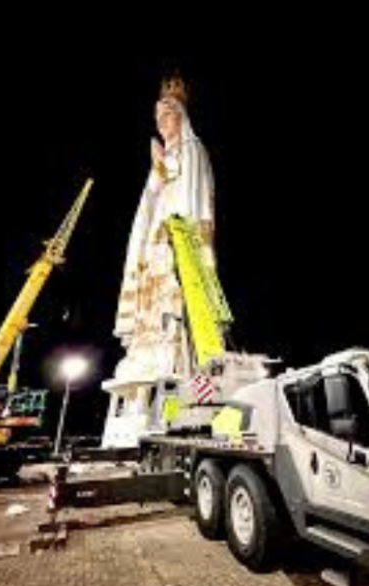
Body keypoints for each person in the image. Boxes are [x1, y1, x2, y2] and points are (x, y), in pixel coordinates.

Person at [113, 73, 216, 382]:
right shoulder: (165, 153)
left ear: (181, 117)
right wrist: (158, 168)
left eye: (168, 113)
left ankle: (177, 347)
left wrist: (179, 231)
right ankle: (149, 345)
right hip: (158, 229)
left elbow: (191, 193)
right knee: (152, 288)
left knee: (172, 290)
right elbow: (152, 197)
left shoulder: (192, 148)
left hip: (178, 231)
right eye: (158, 115)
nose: (161, 121)